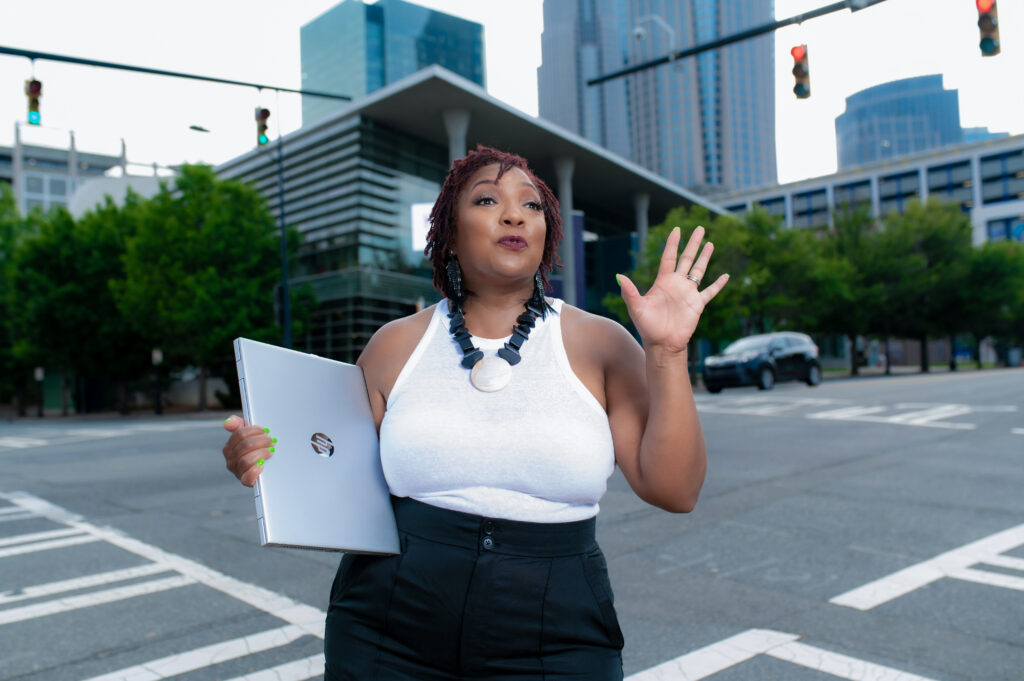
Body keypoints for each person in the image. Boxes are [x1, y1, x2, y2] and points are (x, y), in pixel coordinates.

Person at [222, 145, 728, 680]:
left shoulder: (603, 343)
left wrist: (668, 354)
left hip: (556, 632)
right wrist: (260, 458)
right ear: (449, 234)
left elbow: (675, 491)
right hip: (387, 622)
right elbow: (330, 465)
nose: (514, 215)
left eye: (531, 206)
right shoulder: (394, 346)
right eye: (487, 199)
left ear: (546, 234)